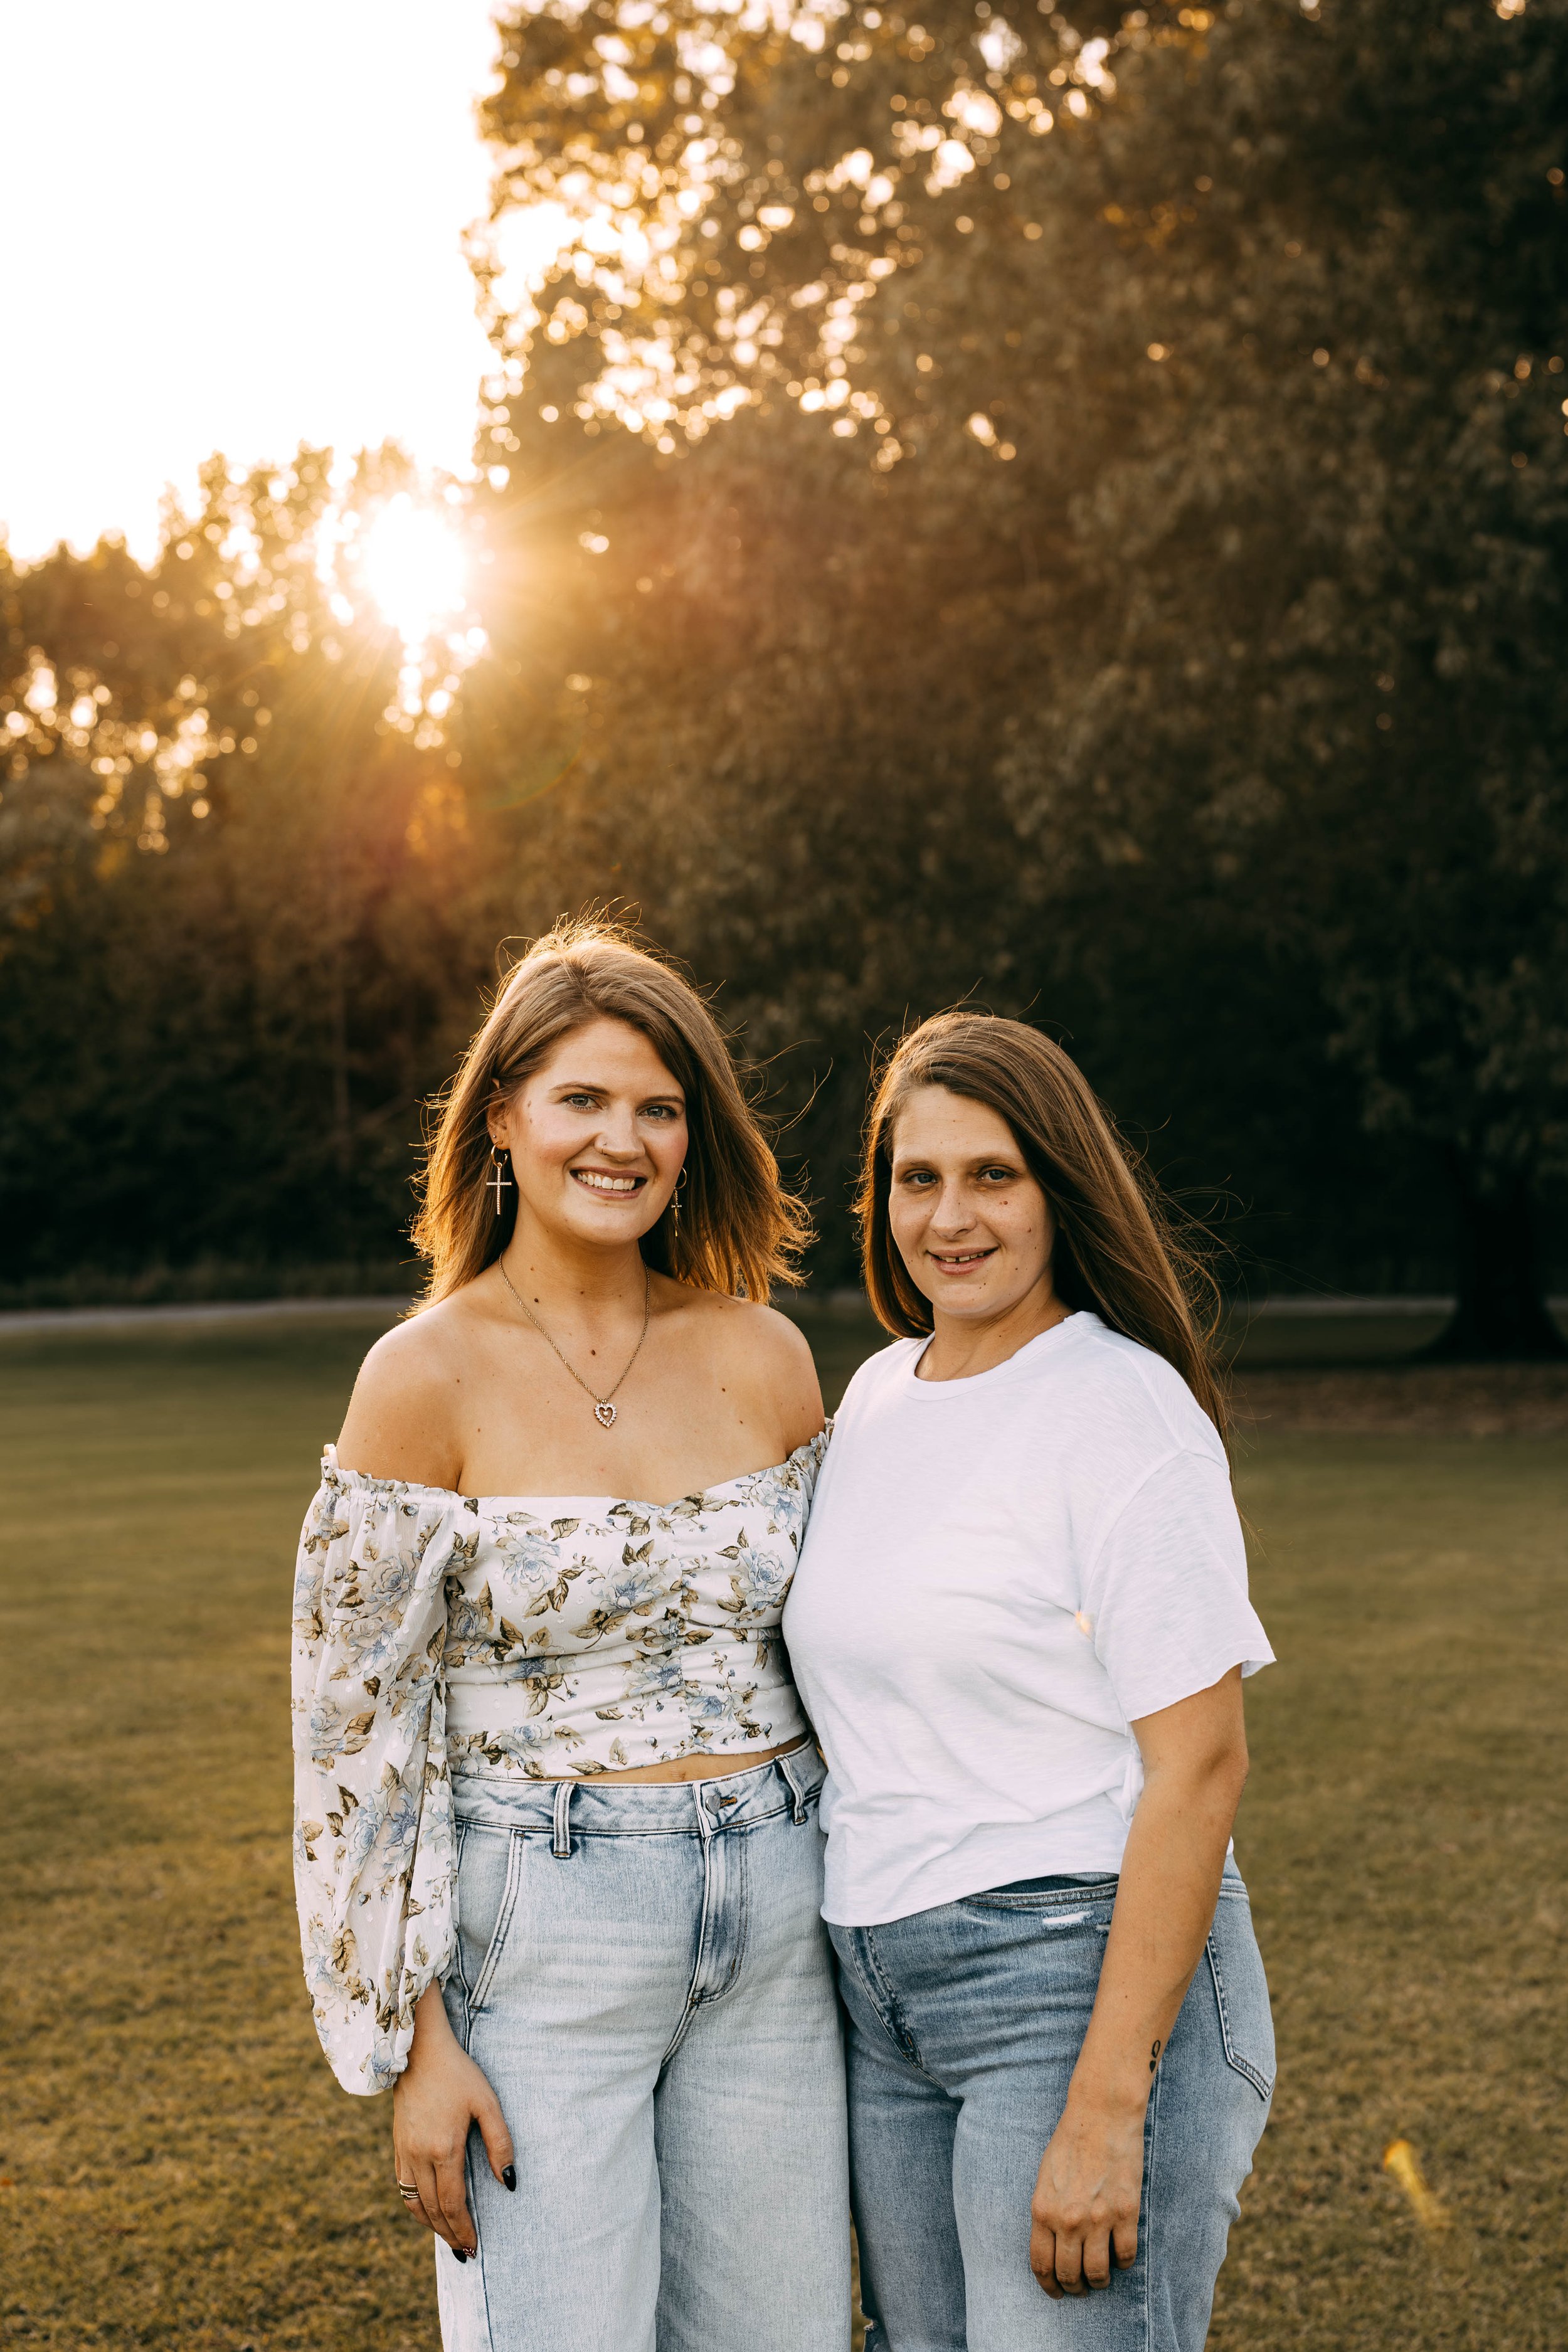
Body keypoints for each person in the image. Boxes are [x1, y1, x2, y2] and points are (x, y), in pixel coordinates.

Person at [290, 919, 850, 2352]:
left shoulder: (767, 1356)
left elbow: (855, 1651)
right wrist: (415, 2049)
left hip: (777, 1922)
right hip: (541, 1933)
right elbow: (353, 1742)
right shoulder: (419, 1378)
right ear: (503, 1120)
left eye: (658, 1107)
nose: (624, 1139)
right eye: (582, 1100)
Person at [783, 1012, 1276, 2352]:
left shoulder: (1121, 1410)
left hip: (1064, 1983)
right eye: (916, 1178)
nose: (950, 1217)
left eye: (991, 1176)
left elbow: (1201, 1763)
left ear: (1059, 1187)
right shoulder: (877, 1396)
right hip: (881, 1992)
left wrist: (1109, 2105)